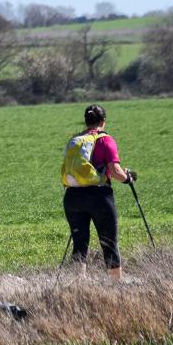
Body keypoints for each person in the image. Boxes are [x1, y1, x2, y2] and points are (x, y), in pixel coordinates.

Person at [61, 104, 136, 280]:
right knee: (109, 242)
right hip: (99, 196)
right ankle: (116, 286)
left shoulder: (75, 140)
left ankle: (78, 285)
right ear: (103, 121)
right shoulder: (105, 140)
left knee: (79, 244)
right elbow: (116, 171)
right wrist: (127, 178)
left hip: (72, 196)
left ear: (86, 121)